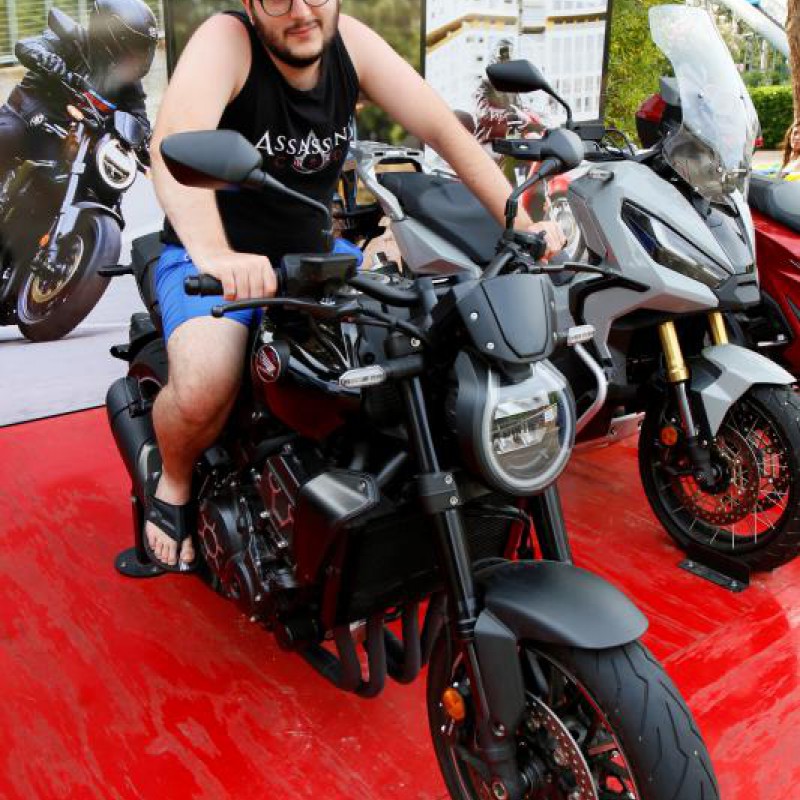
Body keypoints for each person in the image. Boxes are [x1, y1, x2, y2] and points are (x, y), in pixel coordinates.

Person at [145, 0, 567, 571]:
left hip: (318, 259)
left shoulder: (351, 44)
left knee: (405, 356)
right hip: (215, 259)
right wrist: (218, 255)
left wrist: (520, 223)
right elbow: (173, 141)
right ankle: (171, 482)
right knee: (203, 385)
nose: (300, 11)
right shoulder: (228, 41)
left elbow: (443, 129)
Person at [0, 0, 157, 179]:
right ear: (111, 35)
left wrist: (139, 140)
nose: (139, 55)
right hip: (26, 119)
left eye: (143, 48)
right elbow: (26, 46)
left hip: (69, 144)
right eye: (136, 46)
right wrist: (47, 60)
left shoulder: (128, 81)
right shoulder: (74, 42)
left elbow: (140, 123)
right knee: (6, 136)